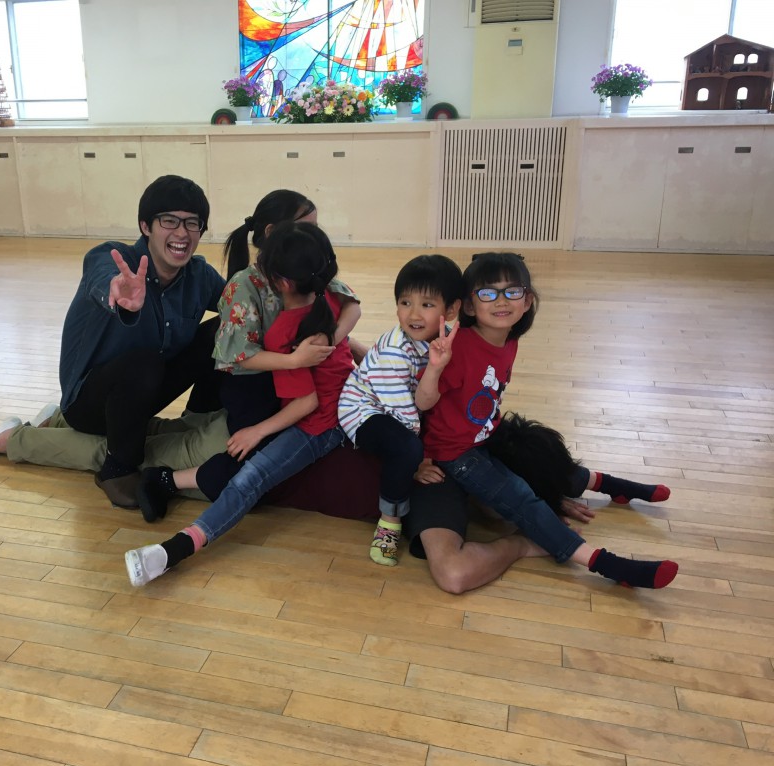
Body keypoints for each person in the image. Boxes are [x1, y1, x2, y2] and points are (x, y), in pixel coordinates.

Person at [419, 252, 678, 589]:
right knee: (520, 498)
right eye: (488, 292)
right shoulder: (460, 348)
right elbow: (423, 403)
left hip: (482, 437)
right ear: (469, 305)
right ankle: (606, 564)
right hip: (454, 453)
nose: (501, 300)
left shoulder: (508, 341)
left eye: (512, 291)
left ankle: (611, 486)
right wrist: (435, 368)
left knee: (538, 458)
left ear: (527, 300)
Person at [124, 222, 354, 587]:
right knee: (245, 473)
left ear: (281, 283)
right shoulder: (328, 297)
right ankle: (169, 529)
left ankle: (173, 548)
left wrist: (257, 431)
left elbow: (308, 402)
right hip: (338, 405)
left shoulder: (285, 331)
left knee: (250, 479)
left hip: (323, 422)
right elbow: (351, 315)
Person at [0, 175, 228, 511]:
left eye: (192, 223)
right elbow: (101, 277)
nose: (182, 233)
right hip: (89, 401)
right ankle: (117, 467)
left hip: (143, 392)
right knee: (143, 363)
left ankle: (197, 419)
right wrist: (118, 293)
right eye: (169, 221)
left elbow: (240, 307)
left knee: (225, 329)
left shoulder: (198, 275)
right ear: (145, 226)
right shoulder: (112, 258)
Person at [338, 255, 464, 567]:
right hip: (365, 410)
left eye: (427, 304)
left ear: (450, 310)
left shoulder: (445, 337)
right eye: (405, 302)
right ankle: (389, 522)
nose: (413, 314)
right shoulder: (395, 352)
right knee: (406, 447)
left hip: (403, 402)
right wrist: (418, 463)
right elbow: (404, 415)